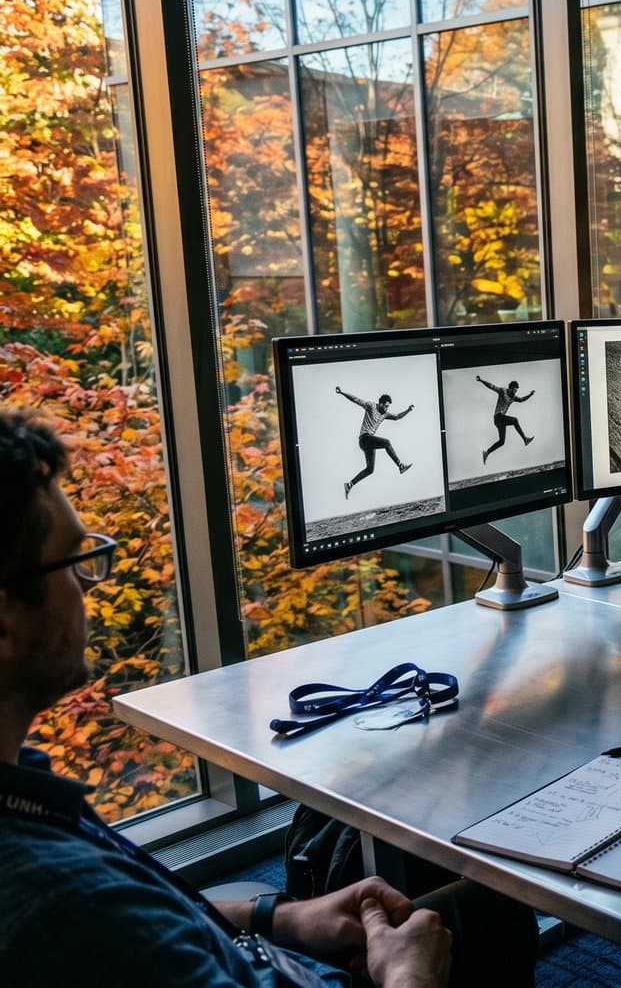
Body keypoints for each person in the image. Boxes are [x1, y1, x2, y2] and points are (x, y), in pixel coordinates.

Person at [0, 411, 483, 987]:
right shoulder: (57, 901)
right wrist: (409, 976)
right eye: (74, 561)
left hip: (260, 945)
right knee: (481, 917)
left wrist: (279, 916)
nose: (89, 585)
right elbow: (111, 922)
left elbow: (157, 911)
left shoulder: (26, 792)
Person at [337, 387, 414, 499]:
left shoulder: (385, 414)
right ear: (380, 404)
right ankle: (400, 466)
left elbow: (397, 417)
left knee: (370, 469)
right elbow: (356, 399)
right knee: (387, 443)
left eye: (388, 407)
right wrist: (342, 392)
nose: (387, 409)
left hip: (370, 443)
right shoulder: (371, 406)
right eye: (386, 406)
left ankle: (349, 485)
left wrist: (408, 410)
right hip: (364, 438)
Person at [476, 375, 535, 463]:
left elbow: (521, 399)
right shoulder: (503, 391)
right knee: (515, 420)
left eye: (516, 391)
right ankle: (525, 439)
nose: (515, 392)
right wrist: (481, 380)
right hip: (498, 417)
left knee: (502, 442)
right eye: (514, 390)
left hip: (501, 421)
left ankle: (487, 452)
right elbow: (491, 386)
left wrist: (530, 395)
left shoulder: (513, 397)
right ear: (510, 388)